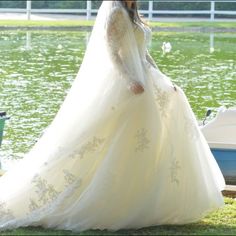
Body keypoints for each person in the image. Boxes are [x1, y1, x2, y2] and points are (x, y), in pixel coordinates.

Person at [0, 0, 225, 232]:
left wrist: (164, 79)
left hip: (145, 80)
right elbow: (112, 53)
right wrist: (129, 80)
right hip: (128, 83)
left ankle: (144, 195)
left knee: (166, 116)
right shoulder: (116, 12)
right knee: (118, 140)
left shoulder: (132, 12)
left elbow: (143, 53)